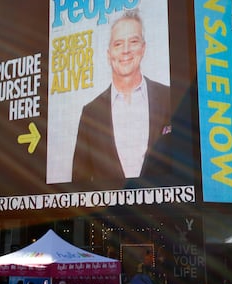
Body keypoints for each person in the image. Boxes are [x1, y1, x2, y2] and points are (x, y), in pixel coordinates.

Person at [72, 11, 171, 190]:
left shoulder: (169, 99)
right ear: (109, 54)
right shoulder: (90, 113)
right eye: (118, 44)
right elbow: (79, 183)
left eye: (133, 41)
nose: (126, 50)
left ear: (143, 48)